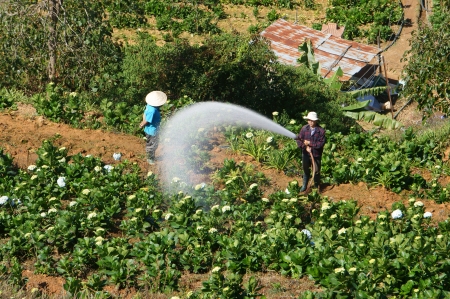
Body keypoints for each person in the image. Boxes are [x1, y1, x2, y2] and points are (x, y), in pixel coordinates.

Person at [295, 111, 326, 192]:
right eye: (309, 120)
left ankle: (316, 187)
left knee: (316, 171)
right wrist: (305, 147)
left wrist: (310, 144)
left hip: (316, 155)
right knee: (305, 170)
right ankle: (304, 185)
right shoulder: (304, 129)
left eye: (312, 120)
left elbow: (320, 144)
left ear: (316, 121)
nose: (310, 122)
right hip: (305, 154)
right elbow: (299, 140)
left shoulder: (321, 131)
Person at [139, 91, 167, 165]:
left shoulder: (149, 106)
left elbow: (145, 114)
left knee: (150, 142)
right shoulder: (153, 111)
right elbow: (147, 120)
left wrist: (143, 121)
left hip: (149, 130)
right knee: (153, 144)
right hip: (152, 130)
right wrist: (142, 124)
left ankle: (150, 154)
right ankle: (150, 158)